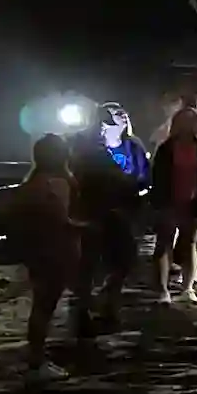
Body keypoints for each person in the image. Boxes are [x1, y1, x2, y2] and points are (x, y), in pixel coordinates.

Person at [9, 134, 91, 381]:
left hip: (39, 250)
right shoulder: (54, 184)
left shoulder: (32, 183)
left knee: (42, 304)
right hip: (55, 250)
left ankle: (36, 354)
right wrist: (86, 227)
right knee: (45, 305)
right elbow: (60, 220)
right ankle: (36, 360)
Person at [69, 102, 148, 331]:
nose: (120, 117)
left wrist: (136, 191)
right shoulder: (87, 148)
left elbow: (141, 175)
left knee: (123, 261)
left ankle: (108, 305)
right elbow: (83, 175)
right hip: (93, 211)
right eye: (113, 115)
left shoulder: (131, 146)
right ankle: (84, 312)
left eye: (122, 113)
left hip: (122, 211)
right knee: (89, 264)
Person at [150, 107, 197, 303]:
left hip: (193, 203)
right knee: (164, 244)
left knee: (190, 245)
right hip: (169, 202)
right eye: (185, 120)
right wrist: (159, 202)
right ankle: (163, 290)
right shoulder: (167, 148)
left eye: (192, 120)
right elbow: (159, 175)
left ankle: (188, 288)